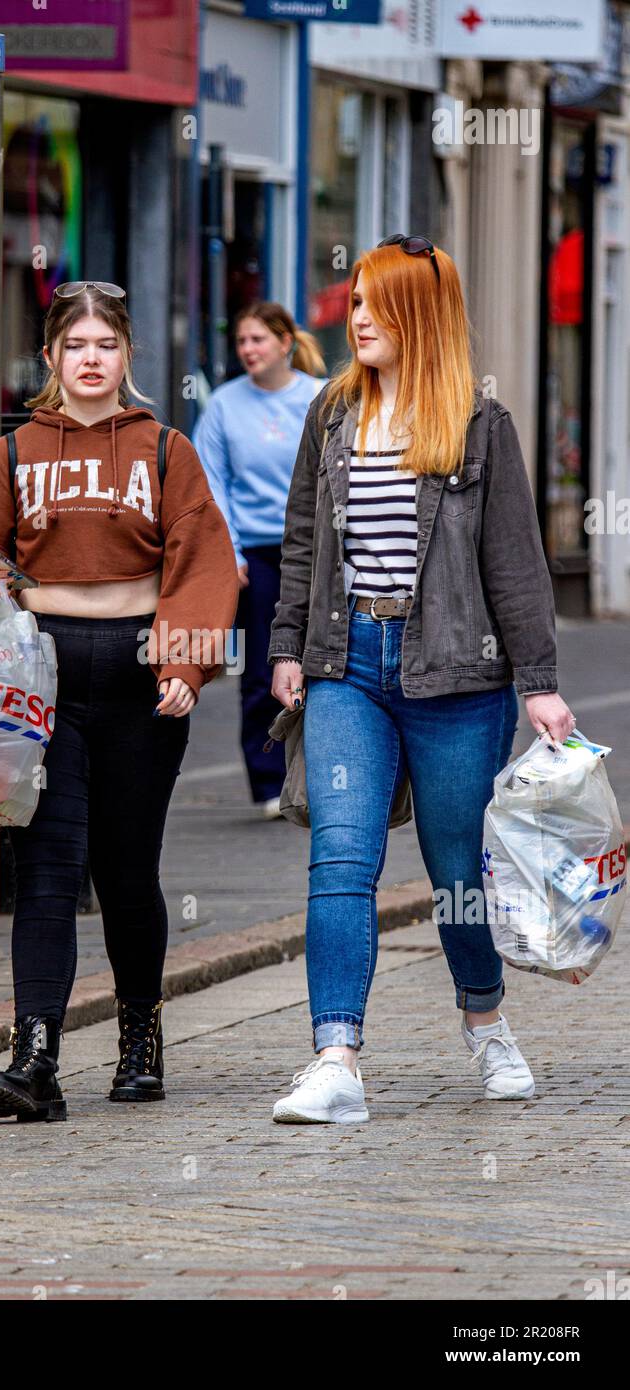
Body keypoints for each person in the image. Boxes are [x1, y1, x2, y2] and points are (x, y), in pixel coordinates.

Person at [266, 236, 575, 1125]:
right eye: (354, 299)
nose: (357, 316)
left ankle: (485, 1023)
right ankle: (336, 1060)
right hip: (347, 669)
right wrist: (288, 647)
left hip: (457, 676)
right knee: (341, 857)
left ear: (420, 316)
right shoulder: (331, 414)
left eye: (376, 303)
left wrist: (539, 682)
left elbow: (515, 564)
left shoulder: (480, 424)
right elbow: (301, 545)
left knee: (454, 871)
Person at [0, 281, 239, 1121]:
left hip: (143, 670)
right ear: (51, 360)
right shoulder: (13, 452)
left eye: (105, 346)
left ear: (127, 358)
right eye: (75, 347)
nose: (90, 360)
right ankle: (33, 1059)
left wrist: (186, 660)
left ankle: (139, 1039)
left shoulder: (163, 448)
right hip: (43, 677)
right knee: (45, 868)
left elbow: (203, 557)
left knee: (125, 869)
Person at [193, 303, 327, 817]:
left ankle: (326, 775)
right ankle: (270, 782)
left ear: (285, 343)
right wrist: (228, 552)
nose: (248, 349)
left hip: (319, 548)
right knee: (261, 670)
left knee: (326, 665)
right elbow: (211, 482)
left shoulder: (319, 397)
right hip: (258, 552)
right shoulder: (224, 406)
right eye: (242, 341)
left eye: (258, 340)